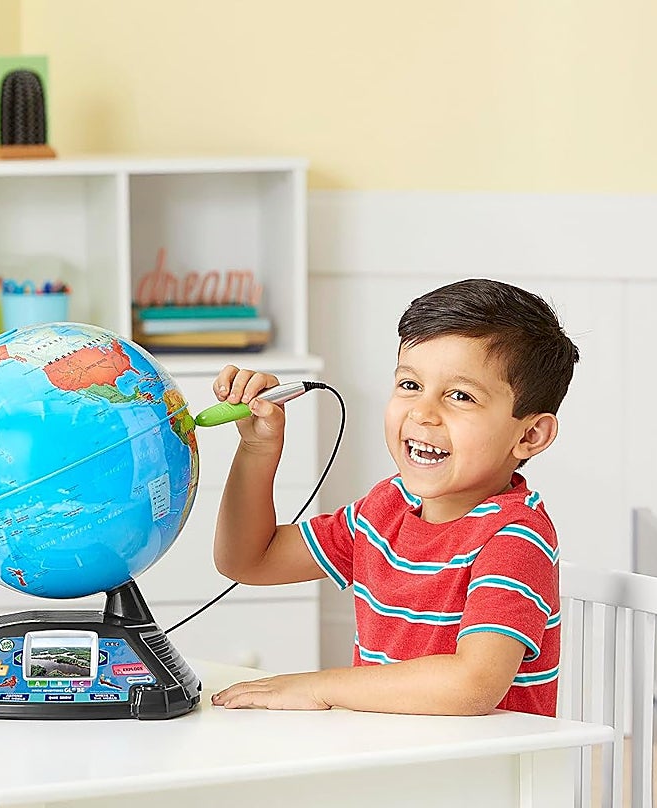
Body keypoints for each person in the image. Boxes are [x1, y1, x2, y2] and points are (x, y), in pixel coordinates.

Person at [209, 278, 580, 716]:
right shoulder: (386, 507)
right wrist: (257, 450)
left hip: (483, 775)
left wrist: (321, 686)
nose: (423, 412)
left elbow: (472, 684)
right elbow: (249, 560)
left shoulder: (515, 537)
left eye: (460, 396)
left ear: (530, 434)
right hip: (394, 759)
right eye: (409, 385)